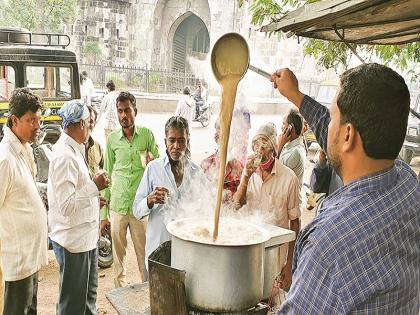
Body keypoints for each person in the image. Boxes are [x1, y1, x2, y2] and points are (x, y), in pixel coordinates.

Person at [271, 64, 420, 314]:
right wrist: (295, 95)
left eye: (333, 118)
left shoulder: (327, 249)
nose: (326, 126)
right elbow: (337, 139)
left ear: (348, 134)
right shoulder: (407, 184)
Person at [48, 100, 109, 315]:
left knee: (87, 303)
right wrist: (95, 187)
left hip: (84, 240)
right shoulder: (65, 156)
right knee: (73, 306)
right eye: (89, 123)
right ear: (81, 124)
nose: (90, 128)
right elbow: (66, 205)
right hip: (73, 244)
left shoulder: (75, 149)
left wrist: (94, 199)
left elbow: (75, 193)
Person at [233, 123, 301, 291]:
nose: (258, 150)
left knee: (271, 300)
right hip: (249, 252)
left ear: (272, 148)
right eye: (256, 145)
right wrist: (245, 178)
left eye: (263, 145)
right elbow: (236, 206)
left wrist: (290, 263)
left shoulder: (289, 178)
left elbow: (295, 223)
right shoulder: (248, 173)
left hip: (275, 257)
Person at [101, 91, 160, 287]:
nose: (123, 115)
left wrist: (153, 162)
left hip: (140, 208)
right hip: (118, 206)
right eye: (120, 111)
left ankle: (147, 294)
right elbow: (106, 176)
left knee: (144, 257)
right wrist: (103, 215)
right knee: (118, 261)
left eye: (127, 110)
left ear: (135, 110)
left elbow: (159, 169)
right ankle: (120, 294)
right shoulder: (112, 140)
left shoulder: (147, 136)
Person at [133, 116, 208, 264]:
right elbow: (136, 210)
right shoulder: (153, 169)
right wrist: (149, 200)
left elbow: (207, 207)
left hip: (188, 252)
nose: (176, 146)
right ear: (165, 141)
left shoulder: (196, 172)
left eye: (181, 141)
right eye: (172, 140)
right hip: (158, 250)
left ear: (187, 142)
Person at [0, 88, 48, 315]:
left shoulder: (23, 150)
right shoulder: (5, 159)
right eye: (31, 120)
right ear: (14, 120)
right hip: (17, 262)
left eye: (38, 120)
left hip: (30, 259)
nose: (37, 126)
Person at [201, 119, 244, 201]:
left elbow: (240, 201)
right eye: (217, 131)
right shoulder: (206, 164)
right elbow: (200, 194)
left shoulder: (239, 169)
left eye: (222, 131)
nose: (217, 134)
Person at [277, 109, 306, 186]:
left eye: (283, 124)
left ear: (291, 128)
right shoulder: (294, 146)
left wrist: (279, 146)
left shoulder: (294, 153)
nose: (281, 127)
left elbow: (275, 176)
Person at [86, 105, 104, 177]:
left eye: (91, 121)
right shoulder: (71, 149)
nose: (88, 125)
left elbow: (106, 169)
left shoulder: (97, 147)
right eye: (85, 121)